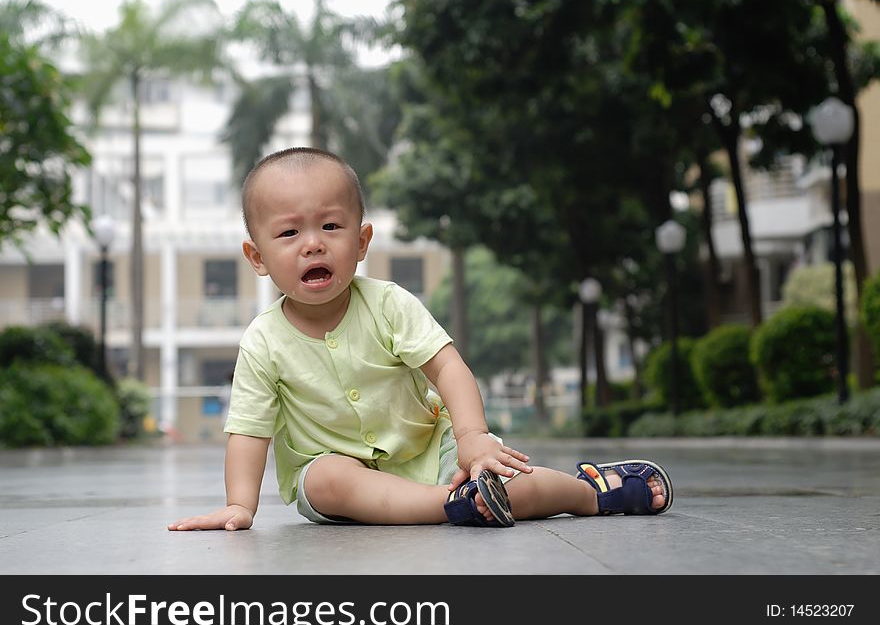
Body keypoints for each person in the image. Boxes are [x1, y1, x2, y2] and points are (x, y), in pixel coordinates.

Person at [168, 147, 672, 532]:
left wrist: (472, 440)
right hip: (341, 477)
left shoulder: (388, 304)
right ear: (256, 258)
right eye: (288, 234)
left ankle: (587, 494)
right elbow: (250, 431)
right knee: (325, 480)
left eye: (330, 225)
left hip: (432, 449)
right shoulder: (262, 341)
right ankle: (459, 504)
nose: (313, 243)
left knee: (504, 477)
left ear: (361, 242)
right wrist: (240, 504)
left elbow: (448, 368)